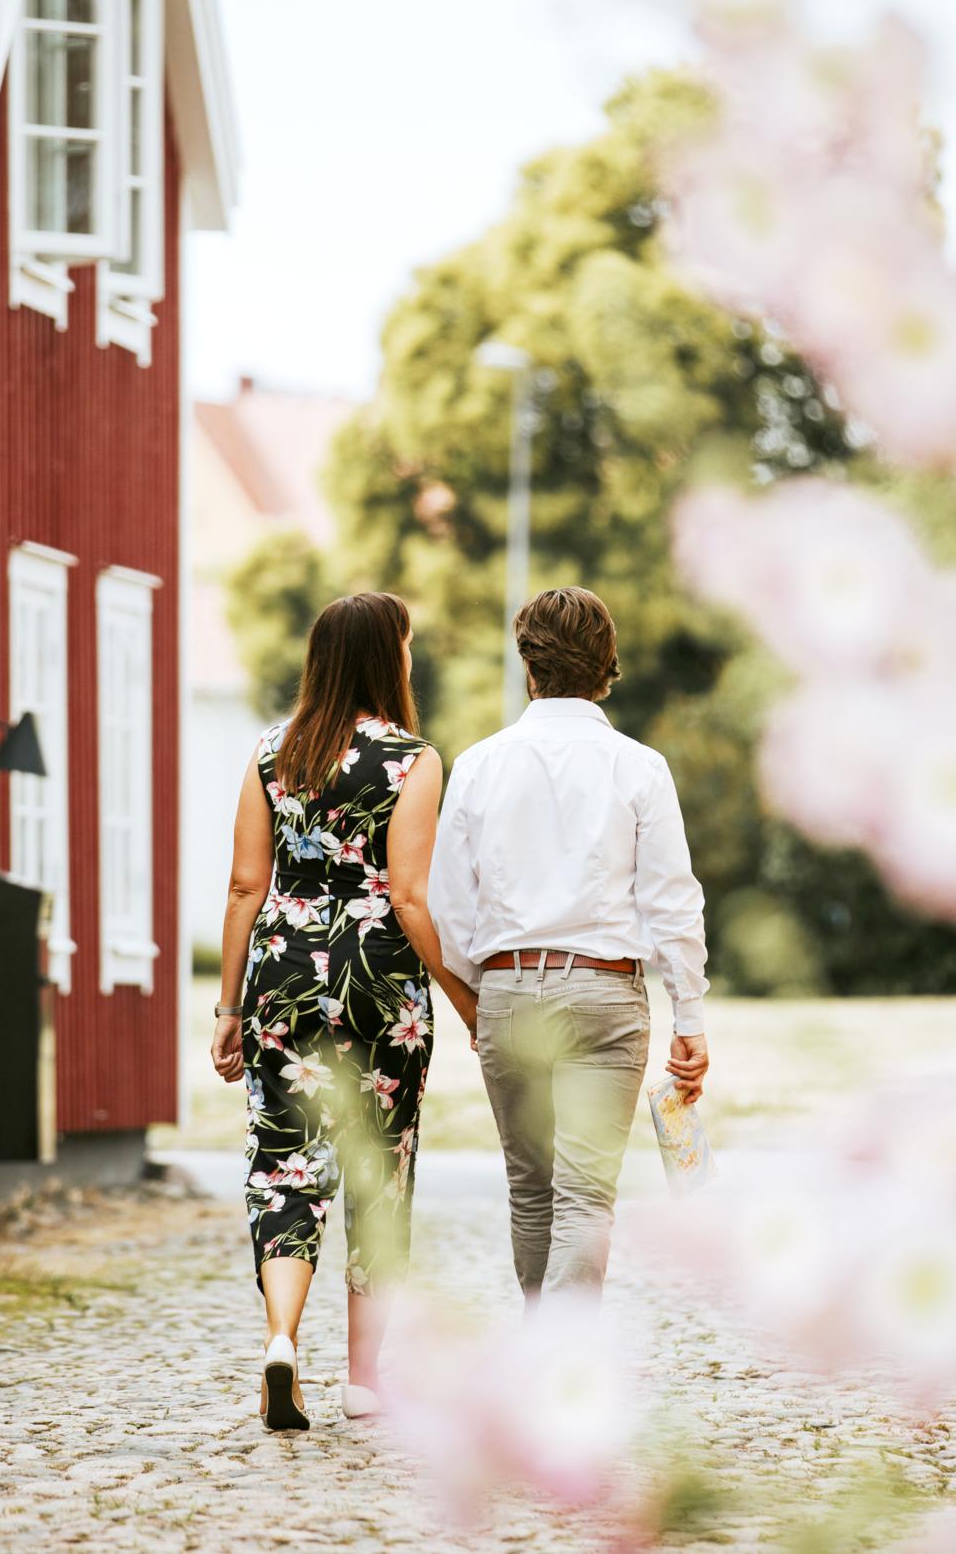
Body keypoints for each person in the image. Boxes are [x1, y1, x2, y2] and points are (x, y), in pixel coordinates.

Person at [210, 591, 478, 1431]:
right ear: (385, 657)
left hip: (282, 976)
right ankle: (365, 1378)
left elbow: (246, 884)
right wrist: (465, 997)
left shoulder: (269, 751)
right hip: (380, 982)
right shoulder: (415, 759)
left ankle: (282, 1340)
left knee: (285, 1166)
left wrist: (227, 1006)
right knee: (379, 1168)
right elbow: (408, 894)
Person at [431, 586, 710, 1303]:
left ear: (529, 665)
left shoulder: (479, 764)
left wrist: (482, 998)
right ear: (607, 665)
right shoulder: (639, 766)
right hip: (603, 993)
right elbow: (672, 900)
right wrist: (689, 1017)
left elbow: (449, 908)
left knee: (531, 1192)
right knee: (586, 1197)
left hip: (508, 991)